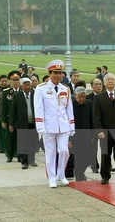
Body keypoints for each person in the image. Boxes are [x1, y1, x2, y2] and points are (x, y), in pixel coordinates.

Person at [34, 60, 75, 188]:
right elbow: (38, 108)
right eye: (55, 73)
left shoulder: (65, 88)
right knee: (50, 153)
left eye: (60, 73)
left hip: (63, 125)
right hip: (49, 125)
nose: (58, 75)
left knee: (64, 150)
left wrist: (72, 125)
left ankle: (61, 174)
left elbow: (69, 109)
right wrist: (40, 126)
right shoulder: (41, 89)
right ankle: (52, 177)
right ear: (49, 73)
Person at [9, 78, 38, 169]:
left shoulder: (35, 94)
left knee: (33, 142)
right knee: (23, 143)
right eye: (25, 85)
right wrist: (11, 123)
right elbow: (13, 110)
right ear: (22, 86)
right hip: (22, 123)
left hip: (33, 123)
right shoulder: (17, 96)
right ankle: (24, 161)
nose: (27, 87)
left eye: (28, 85)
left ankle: (32, 159)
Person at [70, 86, 94, 181]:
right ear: (75, 96)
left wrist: (93, 134)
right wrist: (69, 139)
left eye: (84, 97)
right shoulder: (70, 105)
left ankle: (80, 172)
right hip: (75, 136)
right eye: (80, 97)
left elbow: (92, 120)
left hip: (87, 135)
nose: (82, 99)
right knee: (78, 157)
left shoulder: (89, 104)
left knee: (88, 157)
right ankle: (79, 176)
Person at [1, 71, 21, 162]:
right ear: (10, 82)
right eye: (14, 80)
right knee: (10, 138)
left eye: (17, 80)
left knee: (20, 137)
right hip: (10, 119)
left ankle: (19, 154)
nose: (16, 82)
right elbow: (3, 108)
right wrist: (4, 121)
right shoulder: (6, 92)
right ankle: (9, 155)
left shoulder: (22, 91)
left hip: (20, 119)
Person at [87, 77, 103, 173]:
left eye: (100, 84)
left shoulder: (106, 96)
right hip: (93, 127)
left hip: (103, 127)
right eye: (96, 84)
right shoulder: (88, 98)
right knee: (93, 148)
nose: (98, 86)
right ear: (92, 86)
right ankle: (94, 165)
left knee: (106, 148)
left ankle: (107, 165)